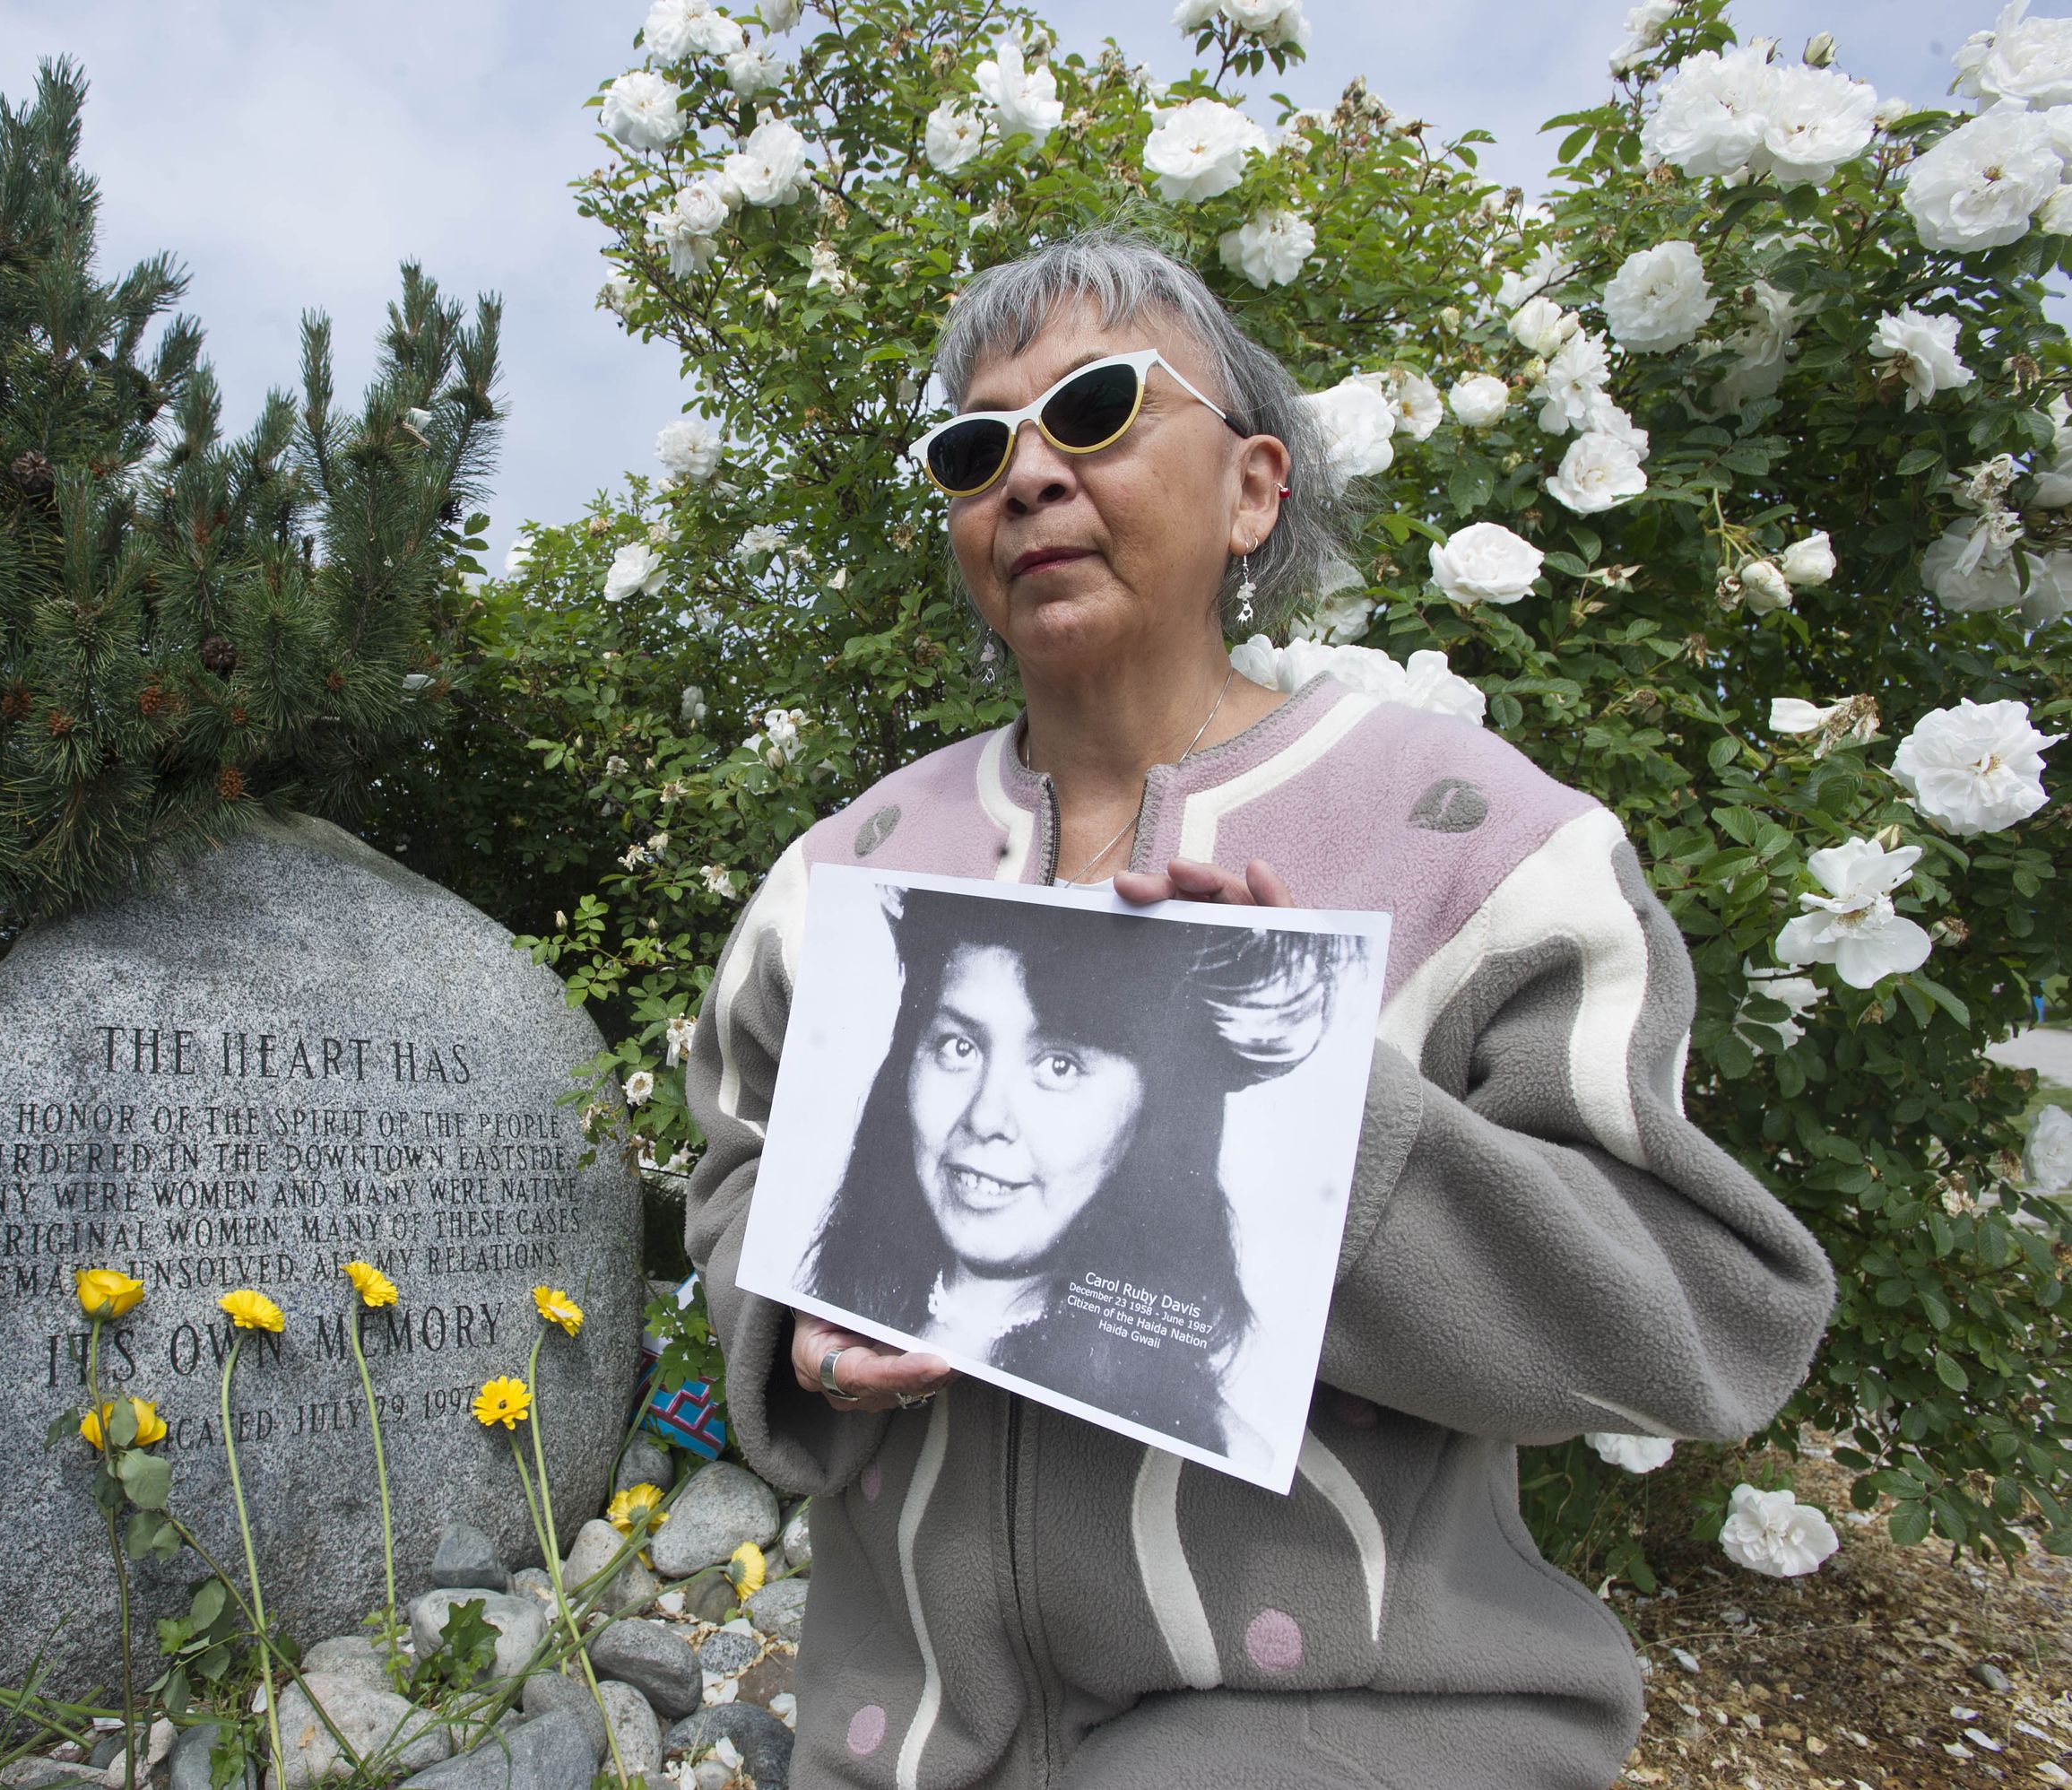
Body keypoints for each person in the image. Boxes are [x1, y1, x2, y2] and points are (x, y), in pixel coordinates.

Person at [682, 229, 1834, 1789]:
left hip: (1355, 1723)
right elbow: (737, 1171)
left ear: (1254, 490)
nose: (1026, 476)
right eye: (975, 447)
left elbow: (1703, 1323)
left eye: (1096, 410)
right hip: (900, 1738)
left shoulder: (1480, 845)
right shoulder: (843, 877)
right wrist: (794, 1324)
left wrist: (1324, 1124)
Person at [801, 885, 1362, 1465]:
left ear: (1153, 1115)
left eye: (1059, 1065)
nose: (986, 1117)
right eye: (958, 1046)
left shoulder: (1228, 1449)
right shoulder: (840, 1306)